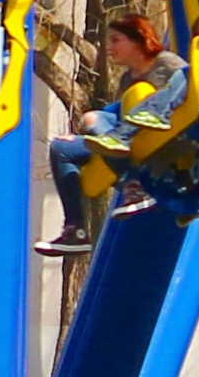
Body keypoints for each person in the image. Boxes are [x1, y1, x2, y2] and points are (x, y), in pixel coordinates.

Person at [36, 13, 188, 254]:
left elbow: (188, 85)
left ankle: (139, 184)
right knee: (61, 148)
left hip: (164, 137)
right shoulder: (128, 78)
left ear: (137, 41)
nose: (109, 47)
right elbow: (119, 110)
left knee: (115, 112)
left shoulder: (166, 64)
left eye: (116, 40)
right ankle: (75, 229)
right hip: (126, 135)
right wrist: (90, 122)